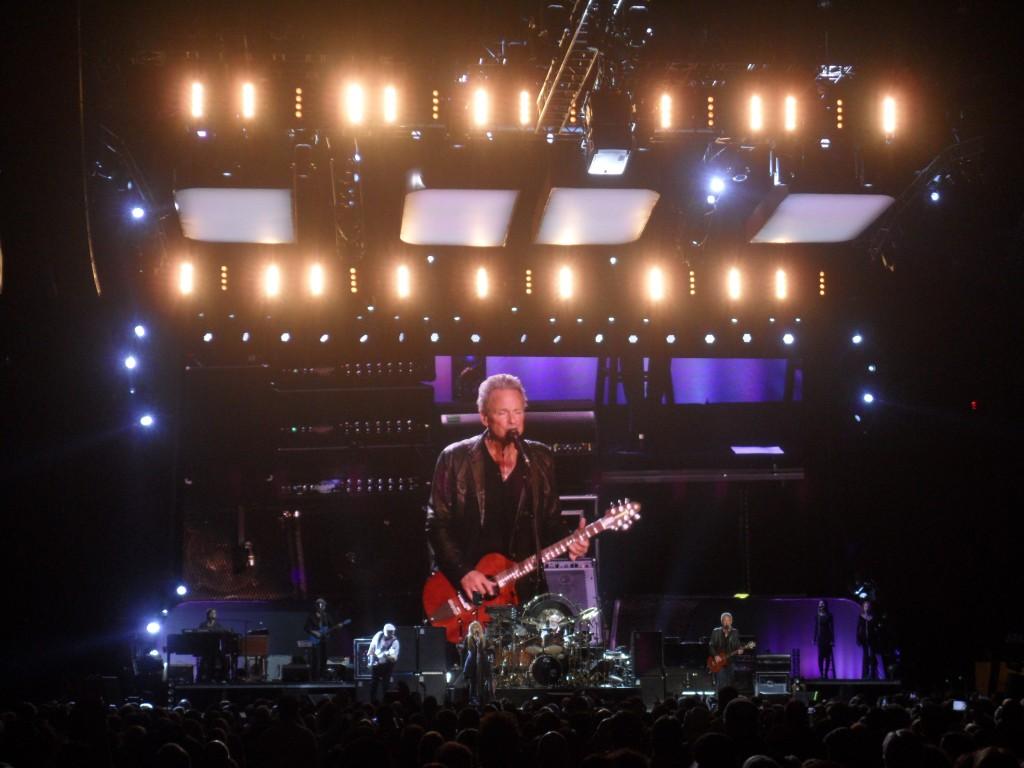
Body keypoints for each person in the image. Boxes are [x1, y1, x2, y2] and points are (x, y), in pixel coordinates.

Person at [426, 373, 590, 611]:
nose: (512, 421)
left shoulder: (539, 459)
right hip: (471, 587)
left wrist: (571, 543)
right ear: (485, 417)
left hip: (523, 590)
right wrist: (463, 572)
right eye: (503, 413)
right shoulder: (454, 458)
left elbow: (551, 523)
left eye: (518, 411)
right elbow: (436, 524)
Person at [708, 612, 744, 690]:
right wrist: (716, 655)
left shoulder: (735, 632)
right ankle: (720, 700)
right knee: (721, 684)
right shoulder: (716, 631)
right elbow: (711, 645)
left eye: (728, 620)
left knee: (730, 683)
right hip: (719, 662)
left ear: (731, 621)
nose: (726, 622)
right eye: (725, 620)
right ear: (722, 621)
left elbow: (738, 645)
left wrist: (740, 649)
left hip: (730, 661)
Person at [195, 608, 231, 682]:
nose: (214, 614)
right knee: (204, 663)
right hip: (206, 648)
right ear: (208, 614)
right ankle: (199, 679)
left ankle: (223, 678)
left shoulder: (218, 625)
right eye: (212, 613)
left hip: (215, 648)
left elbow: (222, 634)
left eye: (215, 613)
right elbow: (198, 635)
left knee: (224, 661)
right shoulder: (203, 625)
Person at [367, 622, 399, 703]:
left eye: (392, 632)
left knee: (386, 687)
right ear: (385, 631)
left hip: (387, 666)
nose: (391, 633)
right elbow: (372, 645)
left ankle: (386, 704)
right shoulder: (379, 635)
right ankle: (373, 703)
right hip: (376, 665)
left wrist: (386, 656)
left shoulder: (395, 642)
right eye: (389, 631)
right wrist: (370, 660)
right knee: (373, 686)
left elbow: (394, 659)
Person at [303, 598, 334, 681]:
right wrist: (315, 632)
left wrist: (329, 633)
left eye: (323, 605)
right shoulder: (311, 616)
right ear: (316, 606)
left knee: (324, 658)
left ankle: (322, 676)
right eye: (319, 605)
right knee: (315, 658)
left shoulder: (327, 616)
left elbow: (331, 627)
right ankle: (314, 677)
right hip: (315, 640)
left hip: (324, 640)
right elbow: (306, 628)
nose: (321, 606)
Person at [463, 620, 492, 704]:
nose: (476, 629)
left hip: (482, 663)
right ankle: (472, 698)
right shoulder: (468, 639)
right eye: (474, 627)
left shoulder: (483, 638)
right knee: (473, 682)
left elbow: (488, 649)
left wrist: (481, 644)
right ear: (471, 629)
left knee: (482, 681)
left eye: (477, 627)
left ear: (480, 628)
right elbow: (467, 651)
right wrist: (475, 643)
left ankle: (482, 698)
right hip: (472, 663)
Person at [856, 599, 882, 680]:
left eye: (867, 606)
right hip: (864, 639)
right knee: (866, 656)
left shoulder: (872, 617)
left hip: (872, 638)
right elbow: (858, 628)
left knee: (872, 655)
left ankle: (873, 674)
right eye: (865, 606)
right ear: (863, 607)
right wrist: (858, 638)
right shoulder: (861, 616)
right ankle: (865, 674)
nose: (866, 607)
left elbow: (875, 628)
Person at [814, 600, 836, 678]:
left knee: (827, 657)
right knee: (820, 656)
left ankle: (826, 674)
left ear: (825, 605)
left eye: (822, 603)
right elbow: (816, 628)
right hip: (820, 638)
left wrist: (832, 640)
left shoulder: (829, 615)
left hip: (828, 638)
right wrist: (814, 638)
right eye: (820, 604)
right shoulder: (817, 616)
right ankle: (821, 674)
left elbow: (831, 628)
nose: (821, 605)